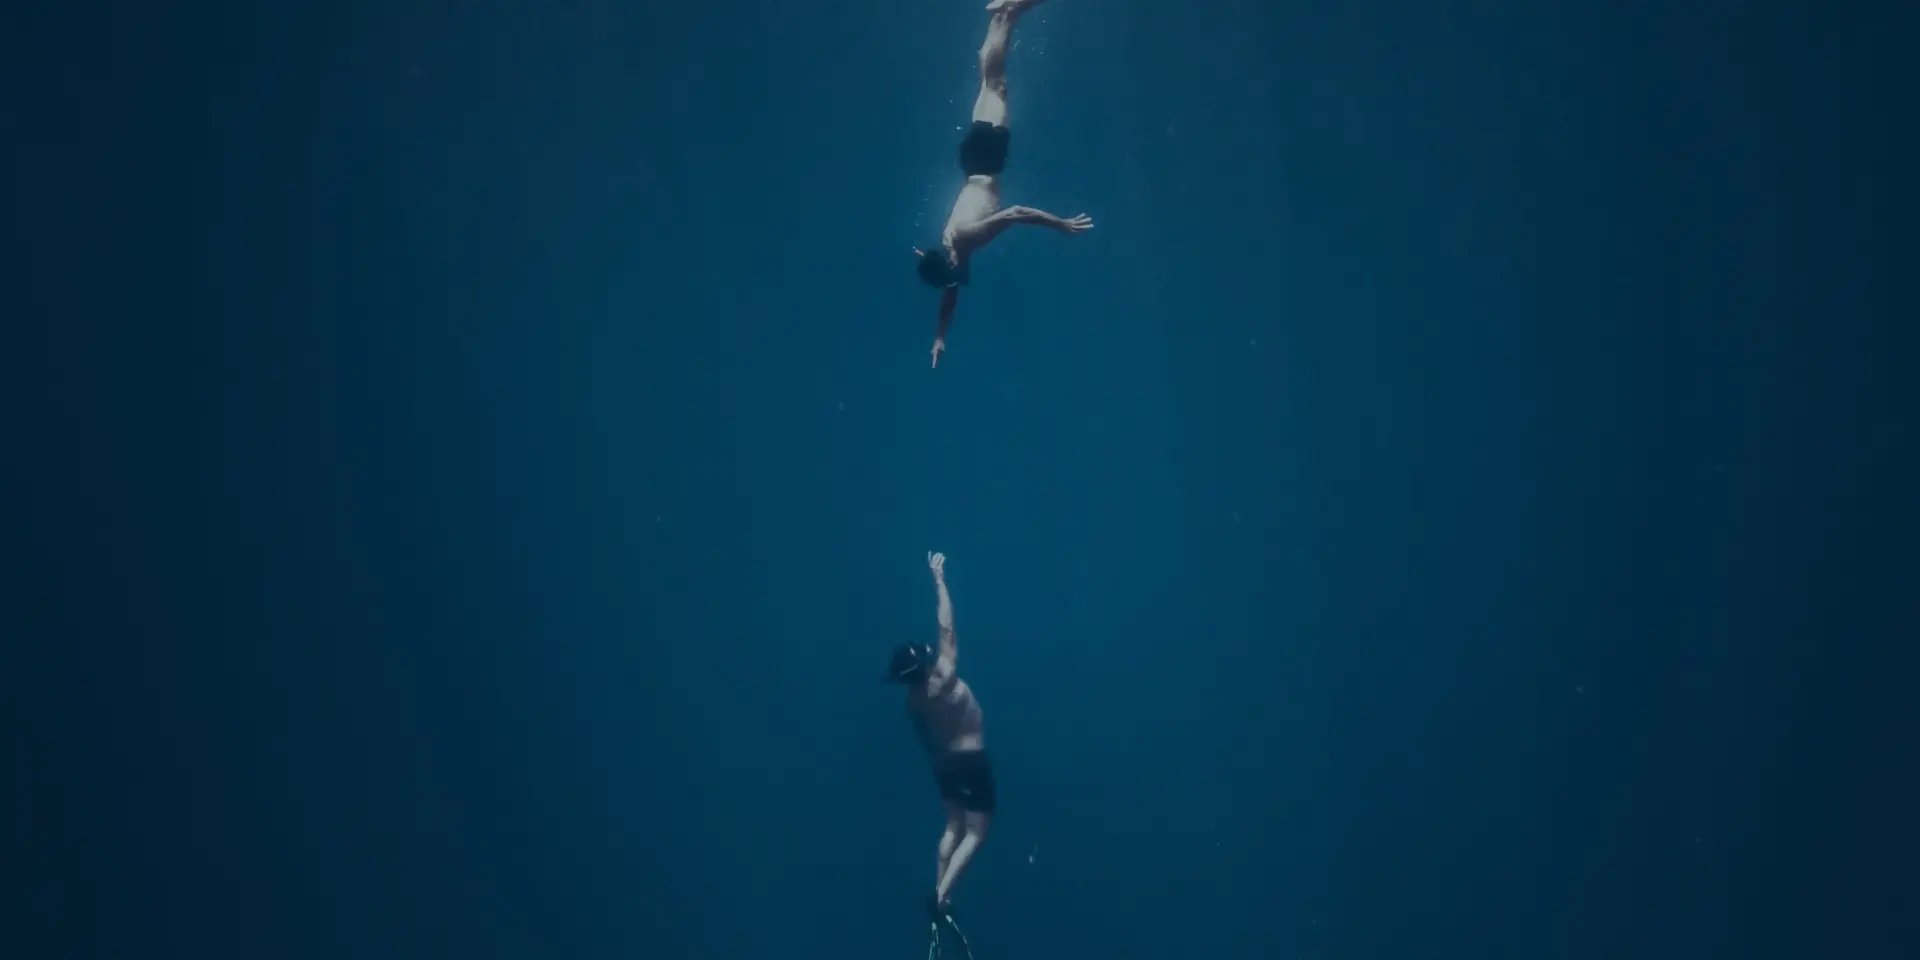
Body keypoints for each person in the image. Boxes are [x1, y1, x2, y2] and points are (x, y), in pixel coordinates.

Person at [916, 0, 1095, 369]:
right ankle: (1000, 19)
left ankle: (1009, 11)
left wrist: (1059, 224)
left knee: (996, 85)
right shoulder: (952, 261)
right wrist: (940, 336)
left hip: (984, 164)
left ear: (947, 259)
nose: (956, 270)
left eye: (950, 265)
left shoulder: (964, 239)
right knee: (991, 82)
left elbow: (1015, 213)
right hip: (974, 166)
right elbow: (949, 297)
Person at [887, 551, 994, 918]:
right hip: (970, 757)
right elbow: (946, 626)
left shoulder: (913, 701)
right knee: (977, 832)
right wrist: (939, 579)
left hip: (945, 761)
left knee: (952, 826)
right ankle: (942, 894)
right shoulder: (944, 675)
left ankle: (940, 892)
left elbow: (922, 735)